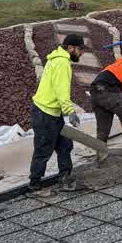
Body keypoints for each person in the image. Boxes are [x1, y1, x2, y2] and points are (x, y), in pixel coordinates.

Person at [29, 33, 86, 191]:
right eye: (80, 50)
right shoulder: (61, 63)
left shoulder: (57, 59)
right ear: (70, 48)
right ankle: (34, 185)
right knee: (43, 149)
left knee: (64, 145)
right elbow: (61, 91)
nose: (81, 53)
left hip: (52, 112)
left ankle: (65, 178)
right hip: (45, 113)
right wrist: (70, 111)